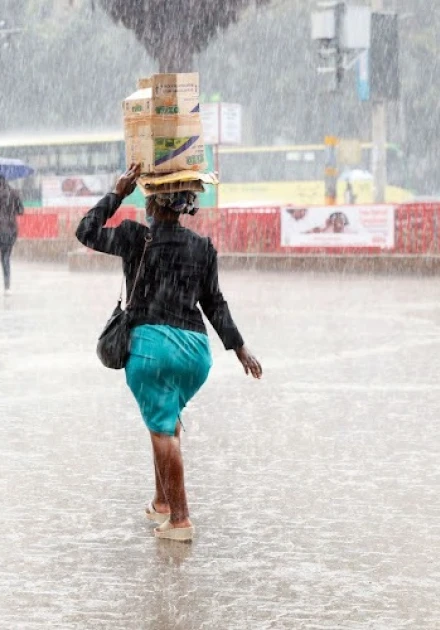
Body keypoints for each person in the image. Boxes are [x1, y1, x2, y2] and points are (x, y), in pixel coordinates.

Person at [75, 164, 263, 542]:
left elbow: (86, 231)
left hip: (151, 350)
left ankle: (180, 520)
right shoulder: (202, 247)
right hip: (195, 354)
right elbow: (214, 303)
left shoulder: (134, 237)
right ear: (185, 206)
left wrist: (117, 193)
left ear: (151, 203)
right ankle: (162, 501)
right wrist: (239, 347)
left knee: (164, 434)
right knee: (166, 421)